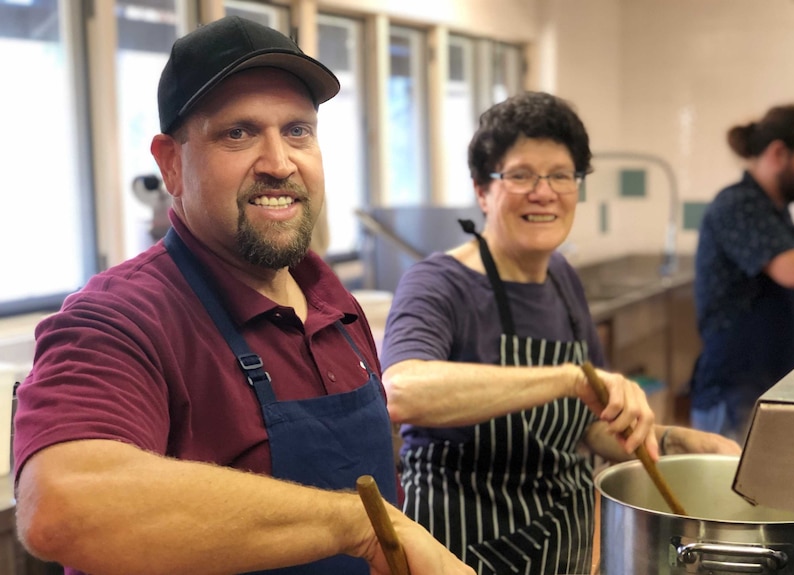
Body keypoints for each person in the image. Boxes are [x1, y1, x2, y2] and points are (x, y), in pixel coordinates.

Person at [13, 16, 474, 575]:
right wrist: (360, 524)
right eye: (238, 133)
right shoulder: (118, 318)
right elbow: (62, 506)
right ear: (171, 164)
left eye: (298, 131)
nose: (279, 163)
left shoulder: (334, 304)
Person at [379, 91, 740, 575]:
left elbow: (588, 425)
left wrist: (674, 444)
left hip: (562, 545)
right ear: (483, 190)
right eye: (521, 175)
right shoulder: (439, 283)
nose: (544, 192)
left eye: (560, 176)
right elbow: (402, 390)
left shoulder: (562, 279)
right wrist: (568, 377)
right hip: (459, 551)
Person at [691, 103, 794, 442]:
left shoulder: (775, 211)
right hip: (736, 394)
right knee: (732, 495)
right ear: (779, 152)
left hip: (771, 387)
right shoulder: (738, 204)